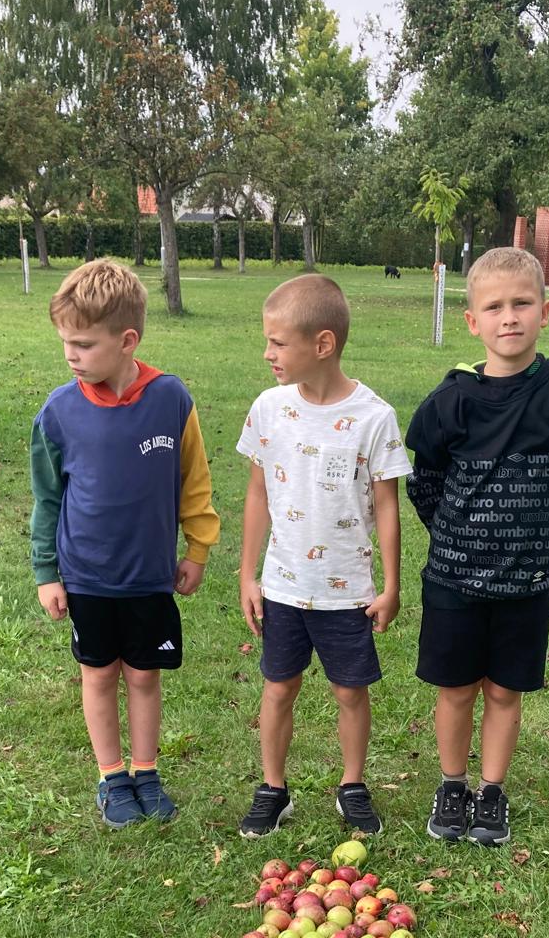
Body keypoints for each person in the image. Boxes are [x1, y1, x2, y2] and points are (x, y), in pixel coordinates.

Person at [406, 246, 549, 847]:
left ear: (545, 312)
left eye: (522, 304)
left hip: (527, 583)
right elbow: (425, 483)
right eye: (494, 307)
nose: (509, 317)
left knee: (502, 690)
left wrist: (542, 535)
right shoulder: (450, 402)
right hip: (454, 580)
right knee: (456, 689)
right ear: (473, 321)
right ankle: (452, 784)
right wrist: (459, 536)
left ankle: (491, 792)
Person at [30, 258, 219, 827]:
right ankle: (112, 777)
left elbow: (194, 480)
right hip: (86, 576)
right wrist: (46, 572)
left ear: (127, 340)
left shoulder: (171, 399)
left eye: (84, 344)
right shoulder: (59, 413)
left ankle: (146, 771)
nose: (71, 355)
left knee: (142, 675)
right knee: (98, 674)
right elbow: (47, 498)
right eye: (66, 342)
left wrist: (197, 549)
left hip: (149, 576)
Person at [236, 274, 410, 839]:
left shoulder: (374, 417)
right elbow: (258, 494)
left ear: (323, 344)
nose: (267, 354)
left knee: (349, 691)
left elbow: (387, 506)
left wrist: (390, 585)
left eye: (278, 343)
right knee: (278, 687)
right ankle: (273, 788)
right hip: (283, 585)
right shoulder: (268, 409)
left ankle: (352, 785)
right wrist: (247, 575)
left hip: (347, 589)